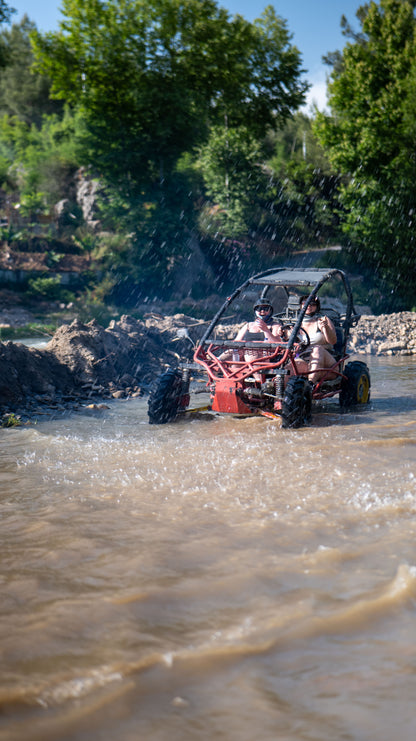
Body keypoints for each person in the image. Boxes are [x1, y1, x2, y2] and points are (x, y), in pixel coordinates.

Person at [296, 295, 338, 383]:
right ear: (300, 305)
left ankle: (310, 384)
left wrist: (326, 328)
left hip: (326, 360)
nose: (308, 306)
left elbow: (333, 341)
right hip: (304, 357)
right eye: (305, 303)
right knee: (291, 367)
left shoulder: (322, 320)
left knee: (317, 349)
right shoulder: (296, 323)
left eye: (312, 304)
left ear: (317, 306)